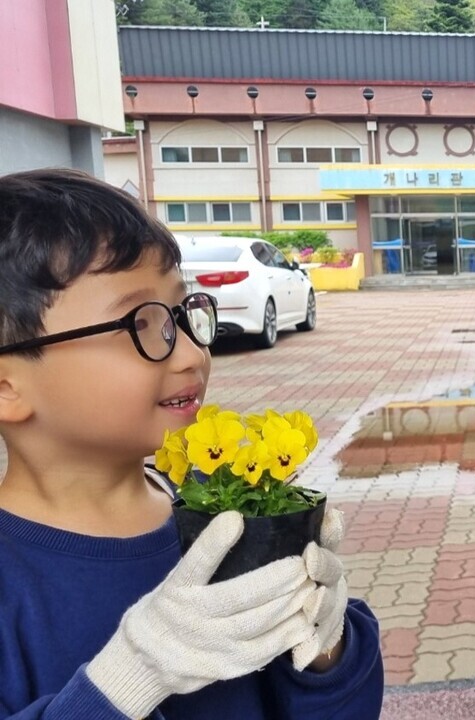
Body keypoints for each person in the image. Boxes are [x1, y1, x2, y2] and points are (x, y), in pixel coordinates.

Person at [0, 169, 384, 719]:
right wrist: (126, 681)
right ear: (6, 387)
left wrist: (328, 651)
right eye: (140, 324)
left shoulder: (223, 506)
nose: (188, 354)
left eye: (182, 313)